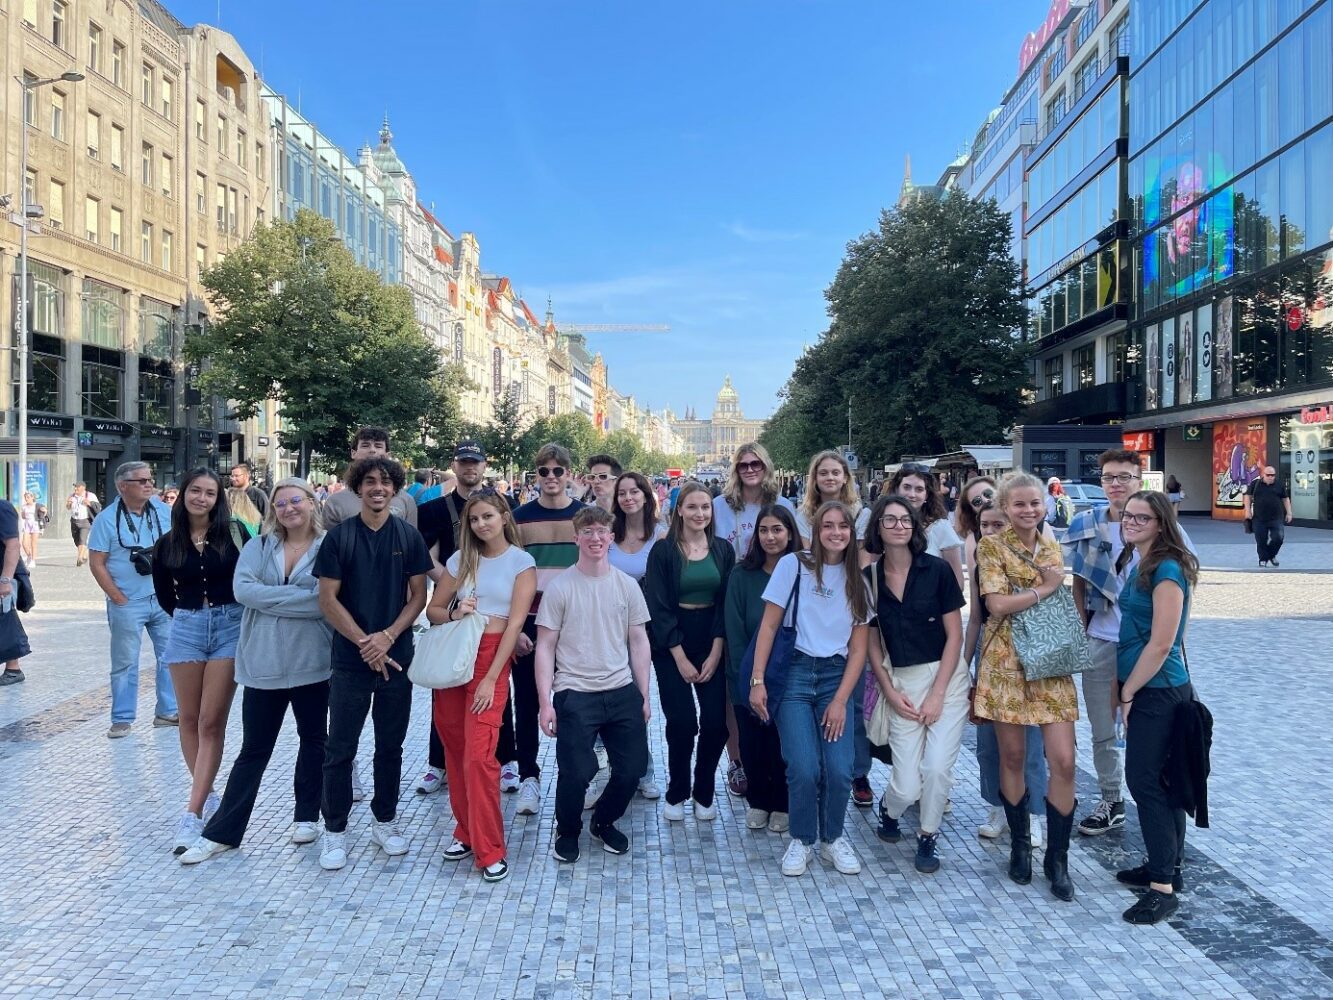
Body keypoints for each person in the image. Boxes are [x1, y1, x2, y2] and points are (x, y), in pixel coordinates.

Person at [179, 478, 333, 865]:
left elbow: (323, 601)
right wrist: (296, 599)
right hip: (262, 662)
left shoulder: (329, 546)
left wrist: (273, 600)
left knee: (314, 740)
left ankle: (306, 816)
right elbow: (243, 591)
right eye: (280, 504)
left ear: (311, 503)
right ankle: (223, 832)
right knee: (253, 750)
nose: (288, 509)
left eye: (296, 500)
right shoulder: (258, 546)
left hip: (312, 661)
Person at [314, 456, 432, 871]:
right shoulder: (339, 538)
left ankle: (385, 821)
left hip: (396, 658)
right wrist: (366, 642)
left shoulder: (408, 536)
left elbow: (418, 595)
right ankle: (335, 831)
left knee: (390, 747)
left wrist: (387, 638)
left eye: (385, 482)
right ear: (357, 488)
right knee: (339, 748)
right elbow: (327, 599)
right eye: (369, 482)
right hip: (350, 660)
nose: (377, 488)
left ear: (396, 488)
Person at [749, 500, 871, 878]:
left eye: (843, 527)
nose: (836, 533)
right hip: (796, 674)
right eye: (828, 526)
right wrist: (757, 681)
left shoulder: (859, 579)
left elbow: (859, 648)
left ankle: (832, 837)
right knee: (803, 767)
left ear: (852, 533)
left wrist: (840, 701)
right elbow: (768, 627)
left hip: (837, 677)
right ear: (816, 532)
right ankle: (802, 839)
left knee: (838, 770)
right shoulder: (794, 566)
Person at [976, 470, 1080, 901]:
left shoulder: (1053, 541)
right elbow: (996, 604)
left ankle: (1058, 857)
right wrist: (1045, 588)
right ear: (1005, 507)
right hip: (1006, 660)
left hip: (1051, 658)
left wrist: (1046, 591)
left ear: (1045, 503)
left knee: (1064, 761)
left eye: (1034, 503)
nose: (1028, 510)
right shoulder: (991, 546)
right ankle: (1020, 844)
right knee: (1013, 755)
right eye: (1018, 504)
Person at [425, 492, 535, 884]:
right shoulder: (461, 560)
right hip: (458, 655)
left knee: (480, 756)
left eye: (488, 516)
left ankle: (490, 848)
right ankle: (465, 831)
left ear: (504, 517)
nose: (481, 525)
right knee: (455, 751)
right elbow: (433, 611)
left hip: (491, 658)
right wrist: (457, 611)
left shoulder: (521, 563)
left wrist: (492, 677)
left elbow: (516, 624)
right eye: (474, 519)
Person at [537, 506, 653, 863]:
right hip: (575, 691)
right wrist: (546, 701)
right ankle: (567, 828)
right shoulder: (560, 587)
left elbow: (638, 641)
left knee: (632, 769)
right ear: (576, 538)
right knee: (577, 770)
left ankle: (603, 821)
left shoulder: (626, 585)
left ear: (612, 537)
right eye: (588, 532)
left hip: (620, 690)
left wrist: (644, 695)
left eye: (602, 531)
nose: (596, 538)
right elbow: (545, 645)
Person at [863, 495, 968, 873]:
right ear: (877, 527)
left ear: (914, 527)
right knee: (906, 786)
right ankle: (890, 810)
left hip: (946, 677)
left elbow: (955, 635)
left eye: (904, 520)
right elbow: (871, 642)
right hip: (902, 680)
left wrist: (939, 693)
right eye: (889, 520)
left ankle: (928, 835)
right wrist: (889, 691)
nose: (898, 526)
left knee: (937, 767)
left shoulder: (937, 571)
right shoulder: (869, 579)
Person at [151, 470, 251, 853]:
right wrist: (191, 615)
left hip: (230, 625)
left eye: (210, 493)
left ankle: (191, 814)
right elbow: (164, 596)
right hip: (187, 626)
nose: (202, 498)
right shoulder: (168, 544)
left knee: (212, 721)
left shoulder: (235, 532)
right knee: (188, 719)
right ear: (183, 494)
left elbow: (251, 573)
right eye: (196, 490)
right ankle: (207, 794)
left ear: (218, 498)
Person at [1115, 490, 1199, 924]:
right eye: (1127, 515)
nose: (1131, 522)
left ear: (1161, 523)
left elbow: (1163, 642)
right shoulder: (1143, 561)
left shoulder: (1166, 569)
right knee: (1160, 781)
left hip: (1159, 691)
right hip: (1151, 688)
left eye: (1141, 518)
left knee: (1145, 781)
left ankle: (1162, 887)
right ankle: (1167, 867)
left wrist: (1128, 692)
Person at [417, 438, 514, 797]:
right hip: (455, 605)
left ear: (484, 465)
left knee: (495, 690)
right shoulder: (433, 510)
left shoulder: (502, 505)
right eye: (463, 462)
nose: (469, 468)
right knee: (445, 683)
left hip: (492, 614)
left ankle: (505, 759)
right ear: (454, 465)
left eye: (475, 462)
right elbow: (425, 556)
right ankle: (437, 763)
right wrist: (453, 581)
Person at [958, 481, 1047, 847]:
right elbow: (976, 617)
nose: (991, 532)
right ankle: (997, 806)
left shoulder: (1034, 558)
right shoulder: (980, 564)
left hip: (1029, 653)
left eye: (998, 525)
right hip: (990, 652)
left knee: (1031, 739)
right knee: (988, 740)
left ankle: (1033, 811)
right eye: (985, 526)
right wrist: (964, 666)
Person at [644, 481, 735, 821]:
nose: (699, 513)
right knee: (682, 722)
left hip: (711, 636)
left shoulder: (723, 550)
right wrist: (679, 656)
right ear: (679, 509)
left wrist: (715, 651)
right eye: (692, 507)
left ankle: (704, 789)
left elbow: (726, 602)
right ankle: (678, 789)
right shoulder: (664, 551)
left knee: (715, 723)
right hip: (672, 641)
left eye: (705, 507)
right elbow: (659, 605)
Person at [502, 443, 585, 816]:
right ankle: (530, 776)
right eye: (544, 471)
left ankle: (573, 774)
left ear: (569, 474)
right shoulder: (519, 519)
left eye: (558, 471)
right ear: (535, 475)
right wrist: (513, 626)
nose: (551, 477)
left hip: (574, 622)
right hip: (531, 619)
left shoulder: (585, 517)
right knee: (526, 700)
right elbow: (508, 575)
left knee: (573, 701)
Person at [1064, 450, 1141, 837]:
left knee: (1146, 724)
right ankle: (1112, 798)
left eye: (1124, 477)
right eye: (1109, 477)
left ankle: (1154, 798)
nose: (1116, 484)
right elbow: (1077, 583)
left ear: (1139, 481)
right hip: (1100, 638)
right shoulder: (1087, 524)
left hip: (1144, 646)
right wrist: (1081, 629)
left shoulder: (1159, 527)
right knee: (1101, 727)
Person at [714, 442, 795, 798]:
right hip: (731, 592)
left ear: (766, 466)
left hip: (775, 592)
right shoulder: (720, 506)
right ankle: (738, 761)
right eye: (743, 464)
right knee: (736, 683)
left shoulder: (782, 506)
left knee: (776, 678)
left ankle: (776, 760)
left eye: (756, 463)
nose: (749, 469)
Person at [796, 450, 874, 806]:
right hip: (816, 609)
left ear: (846, 477)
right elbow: (804, 560)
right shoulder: (801, 516)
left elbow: (861, 562)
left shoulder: (862, 514)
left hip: (852, 606)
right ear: (814, 479)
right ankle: (817, 768)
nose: (829, 478)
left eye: (835, 472)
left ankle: (857, 772)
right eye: (822, 472)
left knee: (853, 701)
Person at [723, 504, 799, 833]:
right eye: (764, 530)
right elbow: (735, 629)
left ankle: (782, 802)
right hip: (747, 673)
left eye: (777, 530)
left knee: (781, 742)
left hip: (788, 673)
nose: (770, 537)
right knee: (752, 741)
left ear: (790, 533)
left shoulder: (802, 572)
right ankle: (758, 799)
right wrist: (750, 677)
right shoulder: (742, 576)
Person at [88, 463, 176, 737]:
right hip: (127, 602)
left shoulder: (164, 511)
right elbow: (97, 562)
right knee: (125, 662)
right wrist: (117, 597)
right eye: (142, 481)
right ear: (122, 486)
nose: (149, 485)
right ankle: (122, 718)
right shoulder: (106, 519)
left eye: (150, 479)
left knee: (170, 657)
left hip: (163, 599)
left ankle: (168, 711)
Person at [608, 471, 666, 800]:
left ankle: (645, 771)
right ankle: (627, 769)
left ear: (646, 496)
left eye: (635, 492)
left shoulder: (660, 534)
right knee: (625, 699)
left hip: (652, 626)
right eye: (623, 493)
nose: (629, 498)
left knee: (641, 698)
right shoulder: (610, 532)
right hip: (614, 626)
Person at [321, 427, 419, 529]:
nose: (372, 450)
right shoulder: (335, 502)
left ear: (387, 454)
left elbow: (411, 541)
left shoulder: (406, 501)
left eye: (378, 446)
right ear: (353, 453)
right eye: (365, 445)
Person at [887, 464, 964, 589]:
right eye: (906, 487)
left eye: (919, 489)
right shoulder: (883, 525)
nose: (912, 494)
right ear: (896, 489)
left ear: (926, 495)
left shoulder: (941, 528)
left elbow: (957, 583)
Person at [0, 498, 32, 686]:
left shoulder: (2, 509)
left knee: (5, 617)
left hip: (3, 574)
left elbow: (13, 545)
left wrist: (5, 579)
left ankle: (13, 668)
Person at [1244, 466, 1292, 567]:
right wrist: (1247, 511)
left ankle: (1270, 555)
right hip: (1259, 518)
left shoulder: (1279, 485)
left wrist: (1289, 512)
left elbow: (1285, 499)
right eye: (1268, 475)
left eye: (1273, 475)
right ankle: (1263, 559)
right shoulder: (1255, 484)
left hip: (1276, 518)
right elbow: (1247, 496)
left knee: (1278, 538)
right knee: (1261, 540)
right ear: (1263, 475)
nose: (1271, 477)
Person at [67, 481, 101, 567]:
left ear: (83, 488)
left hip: (86, 521)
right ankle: (84, 554)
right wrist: (69, 503)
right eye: (75, 487)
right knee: (77, 540)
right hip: (74, 520)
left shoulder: (90, 495)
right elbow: (67, 508)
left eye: (77, 487)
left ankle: (80, 558)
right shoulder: (72, 496)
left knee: (82, 539)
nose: (75, 489)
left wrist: (89, 503)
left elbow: (98, 507)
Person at [18, 492, 42, 569]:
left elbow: (44, 511)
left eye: (28, 497)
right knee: (24, 543)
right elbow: (23, 516)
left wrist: (43, 511)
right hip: (27, 525)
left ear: (32, 498)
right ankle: (29, 556)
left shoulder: (36, 505)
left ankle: (33, 561)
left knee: (33, 544)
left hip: (35, 525)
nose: (26, 499)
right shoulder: (24, 506)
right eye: (25, 497)